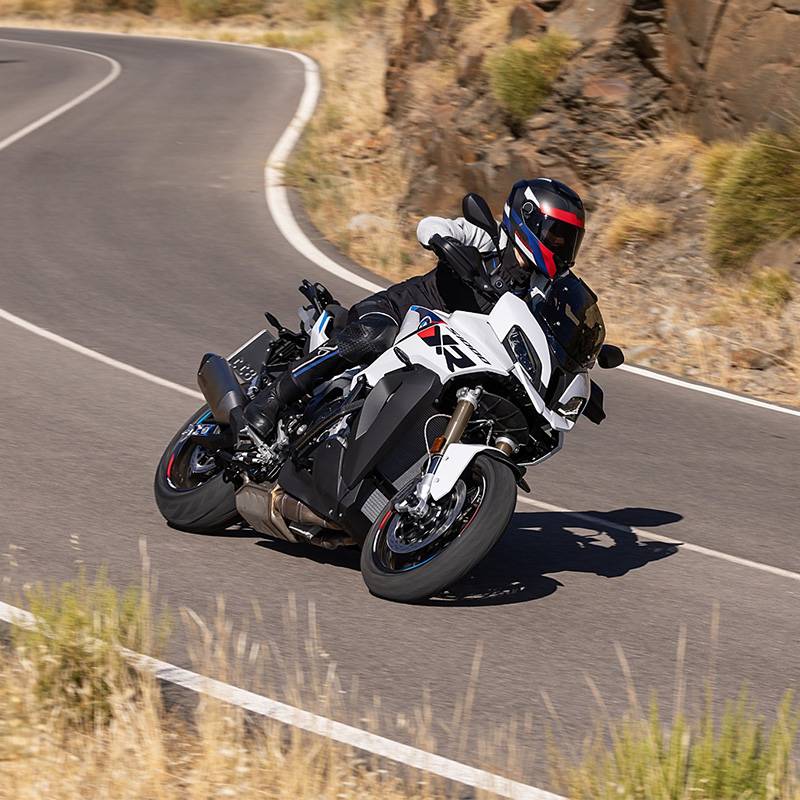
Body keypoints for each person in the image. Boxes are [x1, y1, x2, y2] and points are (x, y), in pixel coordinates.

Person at [242, 177, 586, 440]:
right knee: (374, 334)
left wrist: (576, 357)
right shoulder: (487, 239)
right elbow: (433, 226)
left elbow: (549, 332)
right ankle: (272, 398)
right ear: (528, 218)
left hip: (448, 354)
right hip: (399, 314)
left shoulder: (539, 290)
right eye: (556, 235)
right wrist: (442, 240)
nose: (561, 245)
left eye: (569, 240)